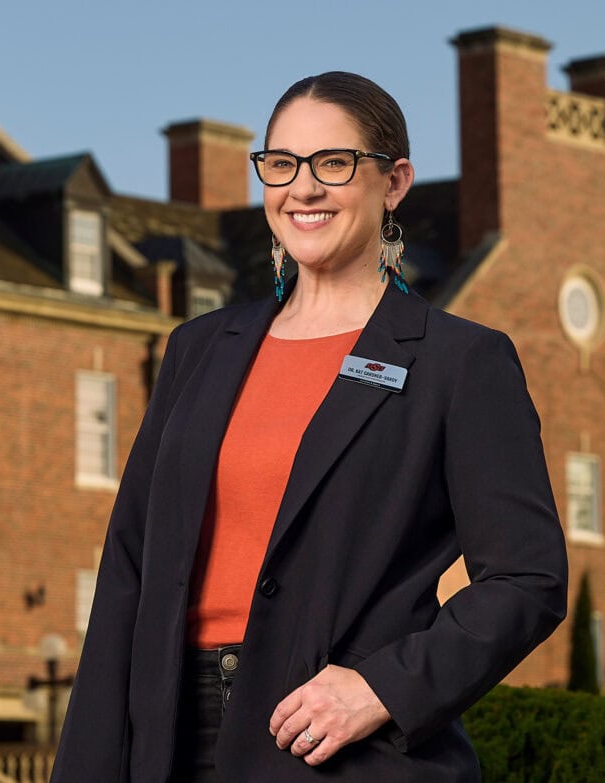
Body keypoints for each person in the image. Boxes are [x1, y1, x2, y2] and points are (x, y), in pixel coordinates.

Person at [49, 71, 568, 782]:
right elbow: (128, 571)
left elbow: (526, 578)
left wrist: (382, 688)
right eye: (282, 164)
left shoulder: (460, 362)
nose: (303, 188)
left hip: (339, 749)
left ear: (394, 182)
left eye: (334, 163)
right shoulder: (199, 349)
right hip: (166, 739)